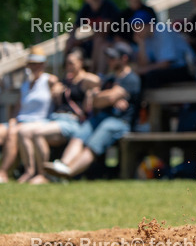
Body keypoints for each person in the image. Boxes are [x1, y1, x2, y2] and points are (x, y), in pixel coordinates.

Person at [44, 42, 141, 179]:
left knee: (94, 142)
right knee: (80, 134)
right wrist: (107, 96)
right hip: (102, 117)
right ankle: (63, 165)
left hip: (120, 122)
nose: (109, 60)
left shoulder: (132, 79)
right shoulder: (110, 79)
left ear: (124, 59)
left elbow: (107, 97)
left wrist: (106, 96)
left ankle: (68, 173)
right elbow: (95, 100)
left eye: (113, 58)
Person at [16, 49, 100, 184]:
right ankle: (30, 171)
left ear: (81, 63)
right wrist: (56, 93)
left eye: (72, 63)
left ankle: (44, 174)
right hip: (56, 120)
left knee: (37, 133)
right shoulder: (64, 82)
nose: (68, 67)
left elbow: (97, 80)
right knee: (24, 132)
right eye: (67, 64)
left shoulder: (84, 82)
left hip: (71, 122)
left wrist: (81, 75)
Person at [0, 49, 58, 183]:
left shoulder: (49, 80)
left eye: (38, 63)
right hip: (20, 120)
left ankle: (22, 171)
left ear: (43, 64)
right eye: (32, 63)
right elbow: (17, 109)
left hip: (39, 121)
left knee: (16, 132)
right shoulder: (25, 85)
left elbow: (59, 94)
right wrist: (13, 120)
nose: (35, 66)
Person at [66, 0, 120, 75]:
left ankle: (96, 74)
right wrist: (72, 38)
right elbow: (74, 27)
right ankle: (67, 75)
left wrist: (82, 40)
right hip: (95, 41)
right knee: (69, 42)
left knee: (98, 41)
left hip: (115, 40)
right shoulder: (86, 8)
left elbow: (103, 32)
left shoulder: (108, 6)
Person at [133, 11, 194, 88]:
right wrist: (141, 44)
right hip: (170, 69)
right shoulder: (145, 38)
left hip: (186, 68)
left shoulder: (163, 31)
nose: (136, 30)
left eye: (139, 26)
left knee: (151, 75)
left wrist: (142, 70)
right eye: (135, 27)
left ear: (150, 25)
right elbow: (144, 64)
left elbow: (165, 64)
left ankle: (152, 100)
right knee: (140, 77)